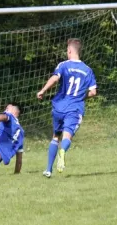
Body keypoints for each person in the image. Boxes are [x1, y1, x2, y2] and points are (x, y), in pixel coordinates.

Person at [37, 38, 97, 178]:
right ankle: (63, 151)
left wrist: (43, 90)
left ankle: (48, 170)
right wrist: (81, 96)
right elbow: (93, 92)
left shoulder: (63, 65)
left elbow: (55, 78)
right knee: (67, 135)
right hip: (74, 108)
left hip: (59, 107)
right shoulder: (87, 70)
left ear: (69, 51)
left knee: (55, 137)